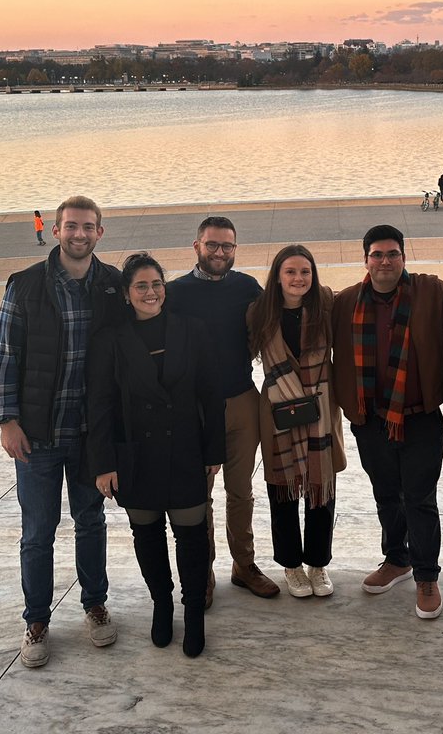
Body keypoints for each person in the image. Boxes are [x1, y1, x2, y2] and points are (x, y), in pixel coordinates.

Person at [0, 195, 123, 669]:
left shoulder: (113, 285)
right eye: (71, 226)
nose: (79, 234)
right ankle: (37, 619)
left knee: (91, 523)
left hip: (90, 434)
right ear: (57, 230)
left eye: (88, 227)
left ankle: (94, 604)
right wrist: (7, 420)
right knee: (37, 533)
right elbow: (5, 355)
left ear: (100, 233)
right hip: (39, 435)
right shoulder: (25, 285)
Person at [87, 254, 225, 658]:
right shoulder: (110, 340)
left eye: (156, 284)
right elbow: (100, 405)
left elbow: (211, 395)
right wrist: (104, 462)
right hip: (135, 454)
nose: (151, 293)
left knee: (192, 535)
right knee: (146, 535)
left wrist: (213, 450)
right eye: (141, 286)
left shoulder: (191, 331)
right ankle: (162, 605)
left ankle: (194, 612)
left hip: (185, 448)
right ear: (128, 295)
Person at [332, 224, 443, 620]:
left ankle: (427, 575)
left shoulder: (430, 292)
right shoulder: (346, 302)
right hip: (371, 421)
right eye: (377, 254)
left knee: (419, 498)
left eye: (393, 254)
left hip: (420, 419)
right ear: (365, 259)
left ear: (404, 257)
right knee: (386, 494)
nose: (385, 261)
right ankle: (396, 559)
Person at [167, 216, 276, 605]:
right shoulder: (175, 292)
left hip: (243, 399)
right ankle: (204, 570)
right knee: (201, 495)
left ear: (235, 249)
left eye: (227, 246)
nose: (219, 252)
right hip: (195, 410)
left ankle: (244, 566)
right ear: (196, 246)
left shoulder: (247, 287)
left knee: (241, 491)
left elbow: (273, 325)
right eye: (212, 245)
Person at [247, 245, 346, 599]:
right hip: (277, 414)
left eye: (305, 271)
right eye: (290, 271)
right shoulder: (258, 313)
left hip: (320, 409)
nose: (298, 278)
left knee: (321, 492)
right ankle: (291, 565)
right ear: (277, 276)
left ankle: (318, 565)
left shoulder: (326, 305)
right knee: (282, 493)